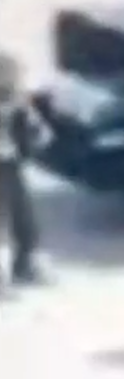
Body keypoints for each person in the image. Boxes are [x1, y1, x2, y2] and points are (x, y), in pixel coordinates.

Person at [0, 53, 52, 288]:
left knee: (23, 217)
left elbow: (38, 129)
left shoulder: (16, 102)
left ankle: (25, 265)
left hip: (10, 163)